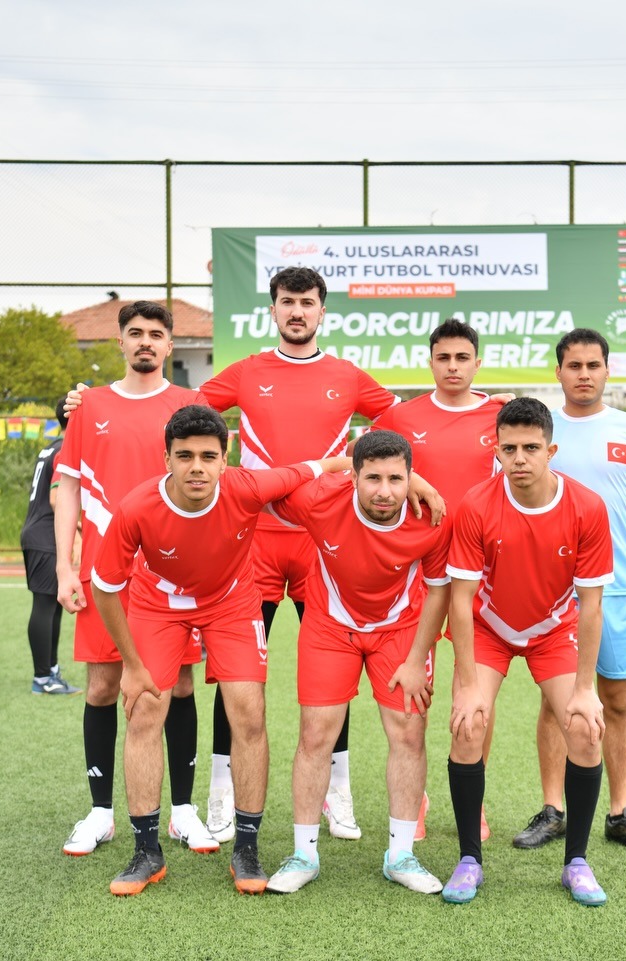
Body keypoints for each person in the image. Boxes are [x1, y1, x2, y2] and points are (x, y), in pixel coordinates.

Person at [88, 405, 354, 895]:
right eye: (184, 456)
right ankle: (146, 851)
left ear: (225, 457)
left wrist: (386, 471)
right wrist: (131, 664)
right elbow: (105, 589)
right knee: (145, 712)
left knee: (248, 713)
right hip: (159, 604)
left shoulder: (248, 487)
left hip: (231, 603)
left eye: (208, 456)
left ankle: (246, 847)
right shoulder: (137, 507)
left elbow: (316, 467)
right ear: (166, 458)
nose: (197, 467)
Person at [196, 266, 400, 843]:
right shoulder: (247, 371)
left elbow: (406, 421)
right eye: (287, 302)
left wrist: (483, 405)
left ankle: (338, 795)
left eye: (307, 302)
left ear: (321, 311)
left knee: (334, 674)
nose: (297, 312)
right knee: (236, 675)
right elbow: (182, 410)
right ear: (273, 310)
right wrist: (84, 401)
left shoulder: (346, 376)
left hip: (324, 545)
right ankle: (221, 794)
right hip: (253, 540)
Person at [53, 301, 219, 859]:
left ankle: (183, 811)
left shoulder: (192, 405)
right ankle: (100, 813)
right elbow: (69, 488)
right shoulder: (90, 406)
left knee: (179, 686)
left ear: (170, 345)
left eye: (155, 334)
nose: (145, 341)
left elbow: (211, 484)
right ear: (121, 342)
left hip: (172, 572)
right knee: (103, 686)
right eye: (135, 333)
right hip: (104, 573)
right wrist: (64, 566)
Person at [441, 397, 615, 907]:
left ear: (550, 451)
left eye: (531, 448)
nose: (519, 459)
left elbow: (591, 606)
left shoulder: (587, 507)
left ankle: (576, 862)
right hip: (489, 628)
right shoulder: (476, 505)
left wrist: (585, 689)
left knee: (585, 729)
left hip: (553, 630)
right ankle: (469, 860)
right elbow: (460, 600)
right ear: (496, 451)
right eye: (509, 449)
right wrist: (467, 685)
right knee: (468, 724)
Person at [511, 327, 626, 855]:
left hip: (621, 585)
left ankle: (620, 813)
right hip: (556, 590)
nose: (584, 374)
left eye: (593, 365)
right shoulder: (539, 430)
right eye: (574, 365)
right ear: (558, 371)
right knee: (555, 701)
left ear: (607, 369)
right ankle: (553, 810)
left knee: (619, 701)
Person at [263, 429, 450, 895]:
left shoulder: (431, 515)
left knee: (409, 734)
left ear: (411, 478)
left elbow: (439, 591)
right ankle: (304, 855)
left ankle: (401, 856)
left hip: (401, 630)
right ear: (353, 477)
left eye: (396, 479)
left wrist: (416, 659)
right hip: (330, 628)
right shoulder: (321, 499)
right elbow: (263, 489)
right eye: (373, 478)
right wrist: (329, 465)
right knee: (315, 735)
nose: (384, 491)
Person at [367, 318, 505, 842]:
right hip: (418, 570)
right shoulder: (400, 416)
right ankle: (416, 798)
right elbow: (368, 469)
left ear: (477, 363)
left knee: (476, 690)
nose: (452, 366)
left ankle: (475, 798)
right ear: (430, 362)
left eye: (462, 357)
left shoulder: (499, 415)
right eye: (443, 357)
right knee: (415, 685)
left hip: (482, 570)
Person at [22, 398, 79, 694]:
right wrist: (78, 530)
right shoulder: (66, 449)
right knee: (44, 605)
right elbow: (57, 499)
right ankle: (43, 678)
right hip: (46, 535)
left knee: (53, 605)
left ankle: (51, 670)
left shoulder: (51, 446)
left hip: (38, 532)